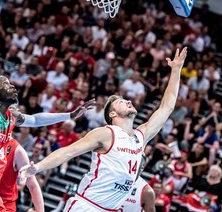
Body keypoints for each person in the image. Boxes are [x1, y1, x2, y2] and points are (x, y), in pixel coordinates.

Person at [19, 47, 188, 211]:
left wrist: (176, 70)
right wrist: (38, 167)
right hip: (87, 206)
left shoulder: (141, 136)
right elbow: (68, 152)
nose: (129, 101)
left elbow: (167, 107)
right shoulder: (107, 133)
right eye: (122, 102)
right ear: (113, 113)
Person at [0, 76, 95, 211]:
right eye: (6, 84)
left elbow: (36, 120)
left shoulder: (12, 116)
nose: (13, 87)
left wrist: (70, 115)